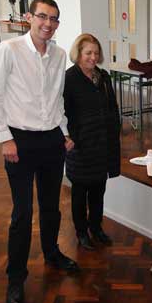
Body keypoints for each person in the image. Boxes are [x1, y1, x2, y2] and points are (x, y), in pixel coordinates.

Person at [0, 0, 80, 303]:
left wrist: (64, 132)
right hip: (19, 142)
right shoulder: (8, 50)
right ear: (29, 17)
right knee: (22, 214)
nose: (48, 24)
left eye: (54, 19)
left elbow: (56, 100)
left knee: (51, 207)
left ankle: (52, 252)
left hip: (52, 140)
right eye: (42, 17)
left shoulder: (60, 54)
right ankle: (16, 279)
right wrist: (4, 138)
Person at [63, 33, 120, 251]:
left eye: (96, 53)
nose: (93, 57)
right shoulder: (69, 78)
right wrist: (70, 137)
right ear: (78, 54)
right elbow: (62, 112)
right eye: (88, 53)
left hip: (102, 144)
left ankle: (96, 228)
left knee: (99, 190)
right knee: (79, 193)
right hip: (81, 145)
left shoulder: (103, 77)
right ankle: (81, 233)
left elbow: (112, 108)